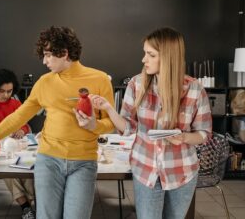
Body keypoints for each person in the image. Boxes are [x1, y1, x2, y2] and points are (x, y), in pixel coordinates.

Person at [0, 26, 115, 219]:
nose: (44, 61)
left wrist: (94, 125)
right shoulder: (44, 82)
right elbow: (17, 117)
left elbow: (110, 123)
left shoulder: (100, 79)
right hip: (49, 160)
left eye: (47, 55)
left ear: (64, 53)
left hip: (83, 162)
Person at [80, 27, 212, 219]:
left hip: (182, 172)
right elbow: (128, 127)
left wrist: (183, 137)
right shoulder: (136, 84)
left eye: (150, 55)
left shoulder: (195, 90)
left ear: (168, 57)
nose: (144, 60)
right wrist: (108, 108)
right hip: (145, 170)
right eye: (145, 53)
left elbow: (204, 134)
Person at [0, 69, 35, 219]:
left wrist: (22, 130)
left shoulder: (16, 103)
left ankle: (29, 206)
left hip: (17, 145)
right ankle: (26, 207)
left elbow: (24, 124)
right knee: (8, 171)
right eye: (2, 91)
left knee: (27, 170)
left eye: (9, 91)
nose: (6, 95)